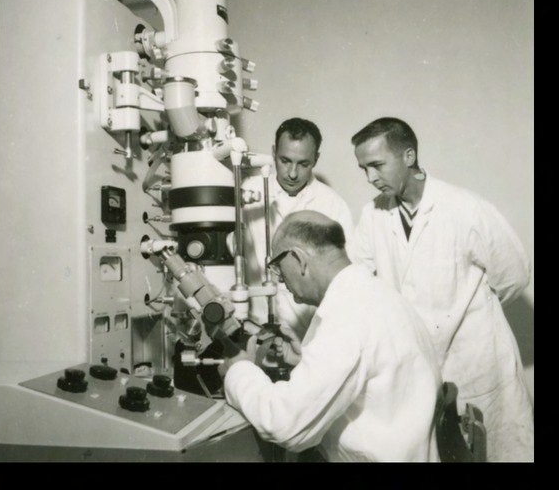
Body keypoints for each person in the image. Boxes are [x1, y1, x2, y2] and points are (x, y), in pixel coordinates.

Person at [349, 116, 534, 462]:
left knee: (497, 451)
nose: (371, 178)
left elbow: (514, 275)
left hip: (478, 363)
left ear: (408, 156)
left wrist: (471, 314)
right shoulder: (373, 215)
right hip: (420, 367)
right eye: (363, 169)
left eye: (376, 165)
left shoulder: (464, 208)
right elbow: (358, 280)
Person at [219, 210, 442, 462]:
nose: (281, 281)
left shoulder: (348, 315)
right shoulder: (378, 295)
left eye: (279, 269)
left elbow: (283, 424)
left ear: (299, 259)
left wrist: (239, 370)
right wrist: (304, 362)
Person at [242, 117, 354, 340]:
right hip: (254, 327)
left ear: (316, 159)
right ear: (274, 152)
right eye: (285, 161)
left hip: (310, 335)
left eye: (303, 164)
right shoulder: (247, 192)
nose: (292, 173)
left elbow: (346, 279)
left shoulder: (332, 204)